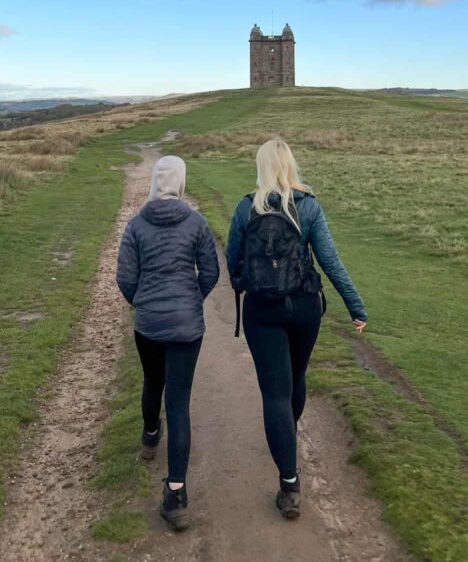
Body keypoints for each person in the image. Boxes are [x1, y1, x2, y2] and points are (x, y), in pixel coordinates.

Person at [226, 137, 367, 520]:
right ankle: (287, 432)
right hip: (304, 307)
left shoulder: (245, 207)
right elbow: (331, 262)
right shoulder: (309, 207)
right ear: (290, 165)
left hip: (262, 311)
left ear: (261, 167)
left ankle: (289, 486)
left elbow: (232, 260)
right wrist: (356, 307)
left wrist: (246, 283)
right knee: (297, 376)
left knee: (274, 393)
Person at [116, 155, 219, 531]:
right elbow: (210, 271)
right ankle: (176, 494)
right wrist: (191, 300)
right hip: (187, 327)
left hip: (149, 324)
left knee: (152, 383)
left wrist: (142, 302)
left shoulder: (136, 225)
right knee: (179, 404)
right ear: (181, 182)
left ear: (155, 181)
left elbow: (125, 277)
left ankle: (149, 436)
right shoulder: (196, 222)